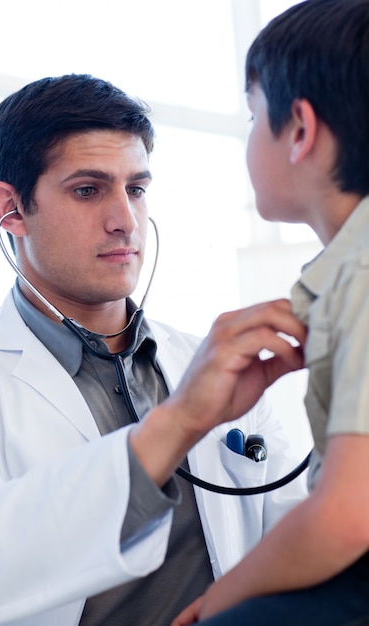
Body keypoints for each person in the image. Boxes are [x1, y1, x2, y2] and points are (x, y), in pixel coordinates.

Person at [0, 74, 307, 626]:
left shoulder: (210, 363)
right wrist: (176, 424)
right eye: (88, 190)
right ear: (10, 209)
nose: (125, 220)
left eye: (135, 188)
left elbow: (293, 528)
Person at [172, 1, 369, 625]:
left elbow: (345, 515)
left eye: (254, 114)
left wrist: (218, 606)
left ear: (301, 129)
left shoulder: (359, 273)